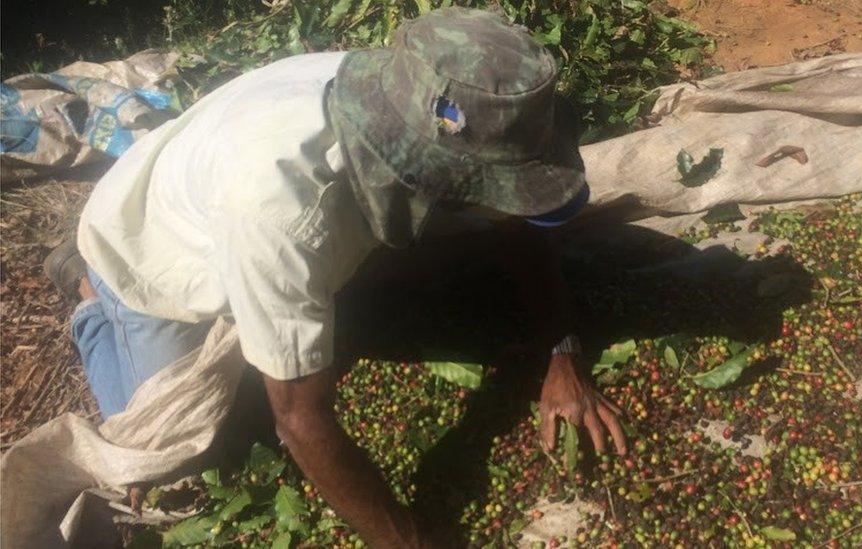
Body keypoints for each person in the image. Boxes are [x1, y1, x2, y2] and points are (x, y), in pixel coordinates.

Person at [43, 7, 626, 547]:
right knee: (175, 451)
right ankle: (87, 289)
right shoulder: (281, 214)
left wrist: (562, 353)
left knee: (434, 268)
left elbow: (516, 215)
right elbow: (298, 420)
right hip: (145, 250)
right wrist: (408, 539)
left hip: (223, 185)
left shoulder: (415, 101)